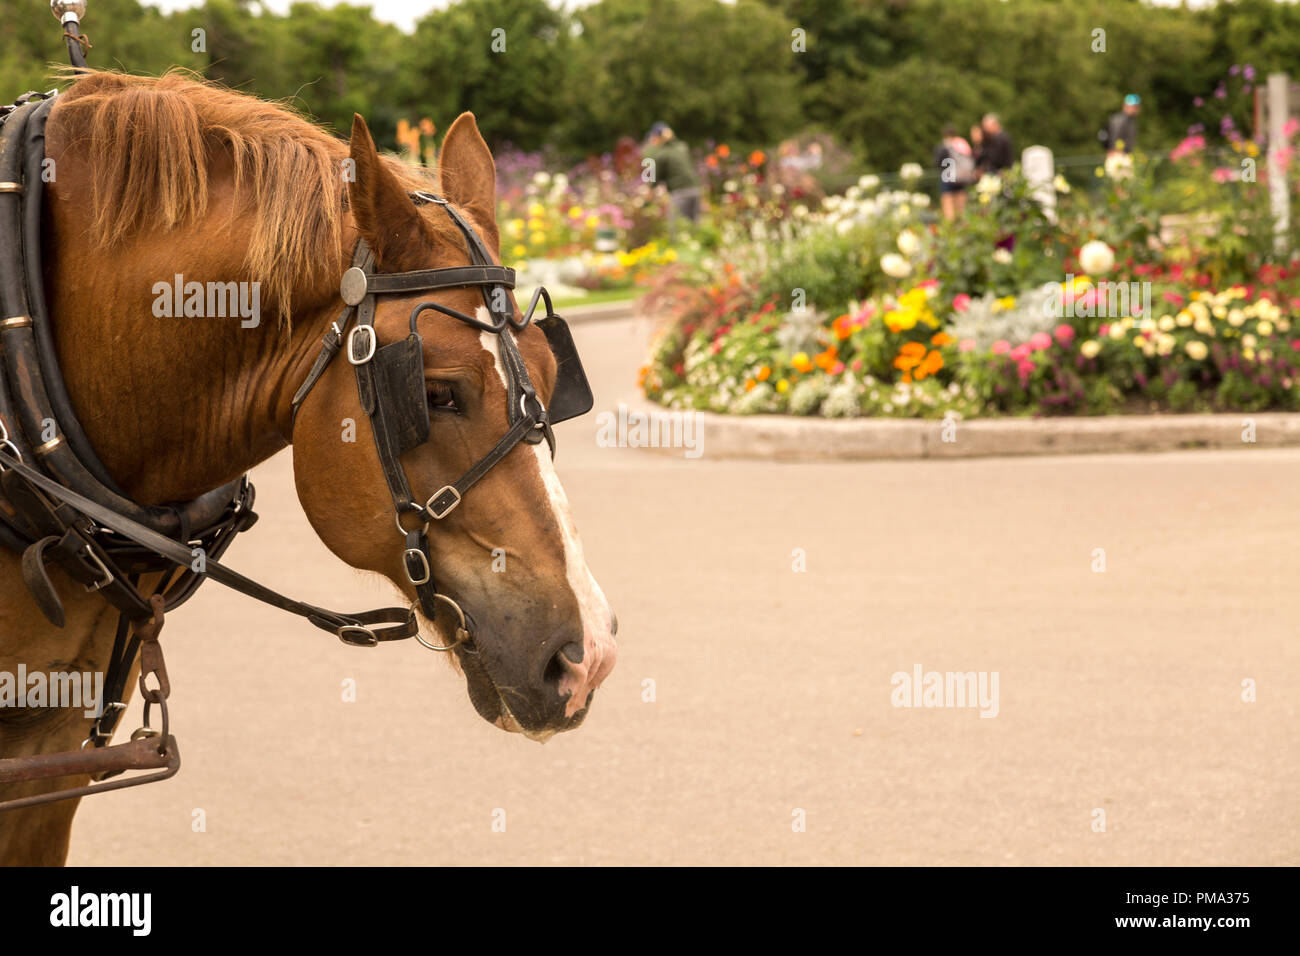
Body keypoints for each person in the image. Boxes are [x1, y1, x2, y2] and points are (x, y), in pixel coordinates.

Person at [643, 122, 701, 223]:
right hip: (695, 190)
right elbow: (676, 143)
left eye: (654, 137)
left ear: (660, 138)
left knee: (675, 226)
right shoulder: (682, 147)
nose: (653, 140)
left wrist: (645, 203)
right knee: (694, 226)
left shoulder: (662, 154)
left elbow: (653, 180)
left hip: (680, 193)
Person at [933, 125, 973, 220]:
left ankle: (951, 229)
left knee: (948, 210)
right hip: (961, 178)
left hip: (947, 178)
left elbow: (937, 162)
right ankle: (961, 226)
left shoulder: (943, 146)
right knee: (961, 210)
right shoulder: (962, 144)